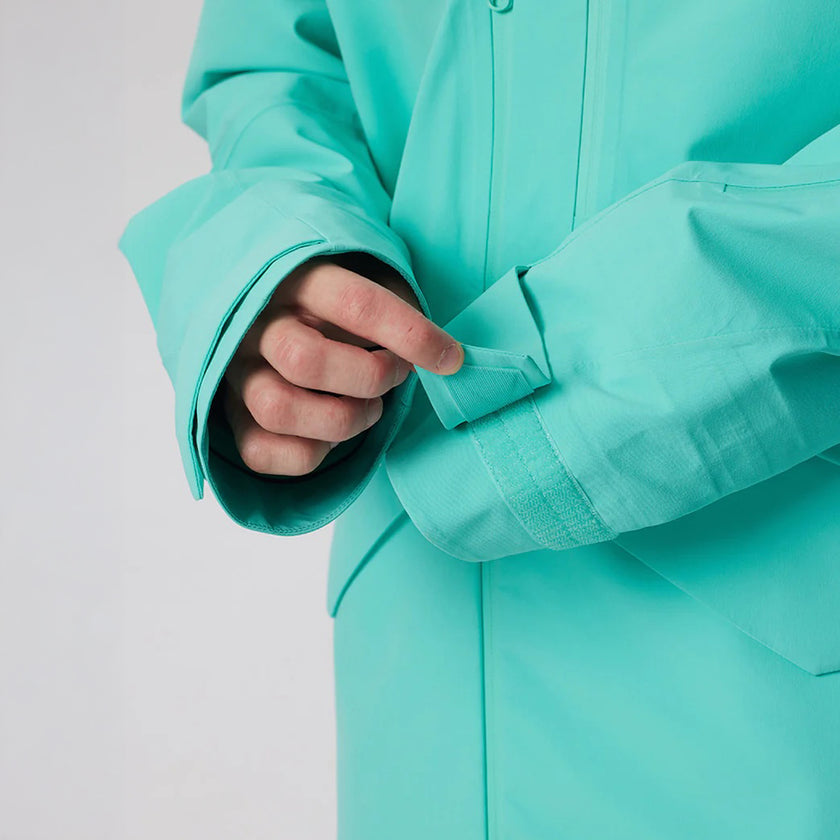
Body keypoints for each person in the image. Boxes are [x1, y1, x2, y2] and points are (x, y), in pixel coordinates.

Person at [119, 0, 840, 836]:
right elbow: (279, 66)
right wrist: (281, 266)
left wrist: (596, 363)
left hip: (779, 633)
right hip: (431, 660)